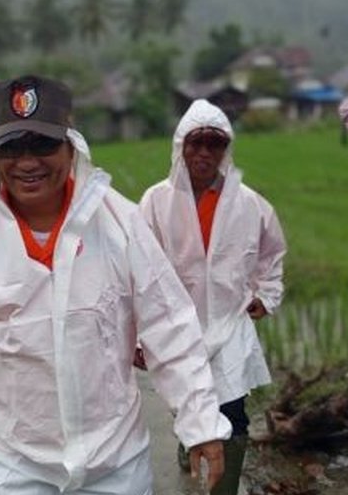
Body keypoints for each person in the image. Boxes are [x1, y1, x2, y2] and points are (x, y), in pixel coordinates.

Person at [0, 74, 230, 495]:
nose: (27, 161)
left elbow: (171, 327)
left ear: (71, 147)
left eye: (43, 144)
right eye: (12, 146)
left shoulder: (120, 223)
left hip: (116, 466)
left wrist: (200, 424)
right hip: (13, 469)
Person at [138, 99, 286, 495]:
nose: (204, 153)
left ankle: (225, 489)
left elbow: (272, 254)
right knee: (186, 402)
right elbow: (135, 272)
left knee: (233, 413)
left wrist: (266, 294)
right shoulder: (155, 202)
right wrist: (137, 335)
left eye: (214, 144)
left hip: (229, 323)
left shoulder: (250, 204)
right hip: (177, 327)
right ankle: (190, 443)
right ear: (180, 146)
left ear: (226, 150)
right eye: (196, 143)